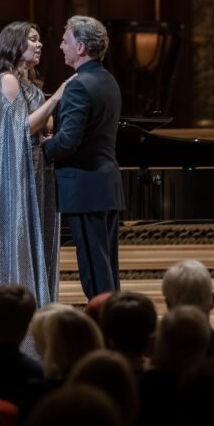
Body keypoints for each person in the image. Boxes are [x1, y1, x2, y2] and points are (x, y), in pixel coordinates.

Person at [0, 21, 71, 307]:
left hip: (36, 170)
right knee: (18, 240)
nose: (40, 45)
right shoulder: (6, 80)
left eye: (39, 40)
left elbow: (44, 127)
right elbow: (21, 129)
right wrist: (58, 97)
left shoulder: (29, 84)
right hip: (18, 176)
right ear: (15, 44)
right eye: (33, 39)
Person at [43, 15, 124, 300]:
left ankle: (105, 329)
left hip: (85, 188)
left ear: (80, 48)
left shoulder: (78, 84)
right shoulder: (108, 80)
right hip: (105, 185)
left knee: (94, 273)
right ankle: (113, 323)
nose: (60, 46)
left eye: (65, 41)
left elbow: (67, 142)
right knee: (107, 269)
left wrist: (41, 149)